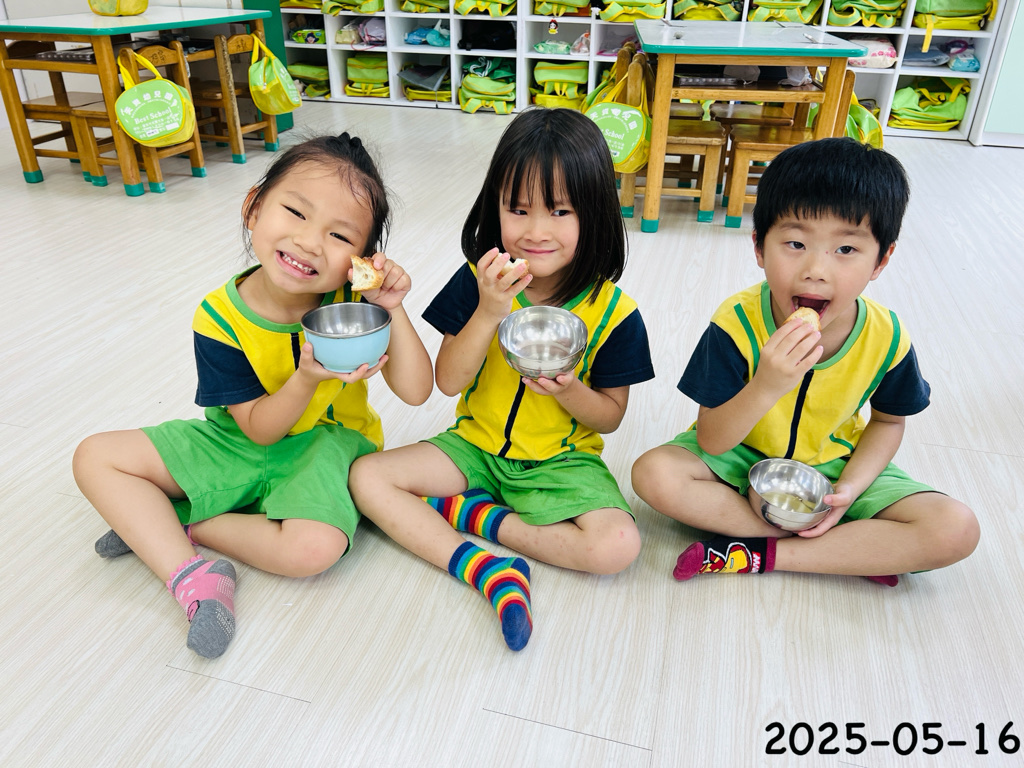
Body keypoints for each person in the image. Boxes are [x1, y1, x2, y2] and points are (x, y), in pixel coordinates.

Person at [73, 134, 433, 658]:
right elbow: (259, 430)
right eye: (296, 212)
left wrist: (393, 307)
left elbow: (417, 391)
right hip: (240, 439)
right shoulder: (218, 317)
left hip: (327, 447)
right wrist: (306, 377)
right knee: (95, 456)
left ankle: (179, 520)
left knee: (314, 549)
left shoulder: (353, 304)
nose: (309, 242)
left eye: (338, 234)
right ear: (254, 208)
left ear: (361, 257)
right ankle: (195, 576)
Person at [349, 108, 654, 651]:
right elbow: (448, 381)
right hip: (474, 446)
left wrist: (570, 388)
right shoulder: (479, 280)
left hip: (560, 461)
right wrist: (490, 309)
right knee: (366, 477)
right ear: (495, 207)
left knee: (618, 546)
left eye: (560, 211)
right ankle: (486, 568)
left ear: (595, 213)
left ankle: (474, 516)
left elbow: (610, 416)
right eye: (518, 209)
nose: (536, 231)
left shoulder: (615, 312)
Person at [631, 137, 979, 585]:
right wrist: (766, 385)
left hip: (835, 466)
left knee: (955, 528)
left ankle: (757, 553)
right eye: (795, 243)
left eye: (846, 250)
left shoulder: (887, 337)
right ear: (759, 247)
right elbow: (713, 440)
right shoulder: (736, 323)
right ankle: (846, 550)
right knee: (654, 475)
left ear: (881, 260)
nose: (816, 269)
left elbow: (889, 422)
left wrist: (850, 488)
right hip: (738, 457)